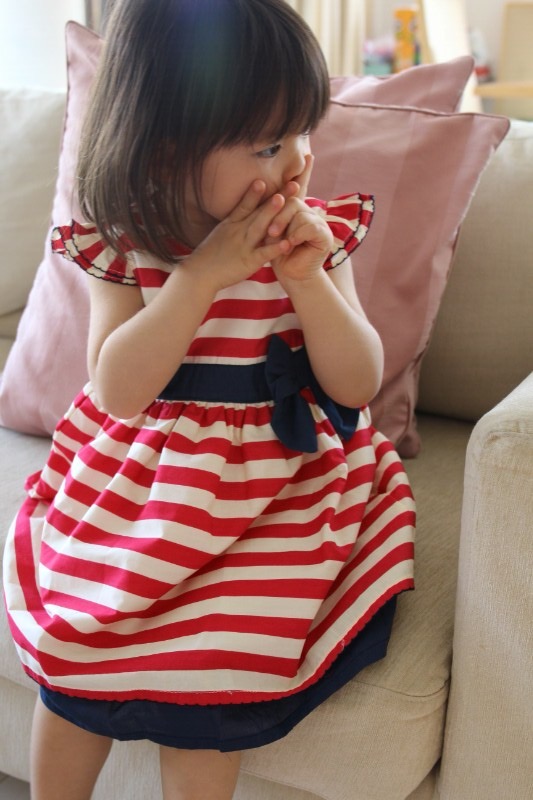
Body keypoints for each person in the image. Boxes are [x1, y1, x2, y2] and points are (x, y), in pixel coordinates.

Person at [3, 1, 415, 798]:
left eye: (303, 132)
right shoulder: (126, 242)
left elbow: (356, 383)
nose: (297, 162)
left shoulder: (316, 237)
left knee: (217, 666)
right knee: (77, 644)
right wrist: (197, 281)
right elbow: (118, 390)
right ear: (168, 149)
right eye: (267, 144)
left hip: (273, 486)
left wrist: (308, 283)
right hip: (144, 480)